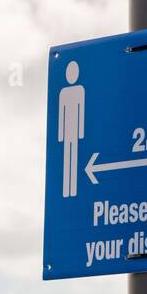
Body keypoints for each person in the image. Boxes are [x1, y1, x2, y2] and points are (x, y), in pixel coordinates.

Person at [58, 60, 85, 197]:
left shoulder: (80, 90)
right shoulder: (63, 92)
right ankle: (67, 190)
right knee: (67, 158)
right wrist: (60, 136)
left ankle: (73, 189)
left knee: (73, 156)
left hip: (74, 131)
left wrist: (81, 133)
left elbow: (81, 112)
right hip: (67, 131)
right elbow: (61, 114)